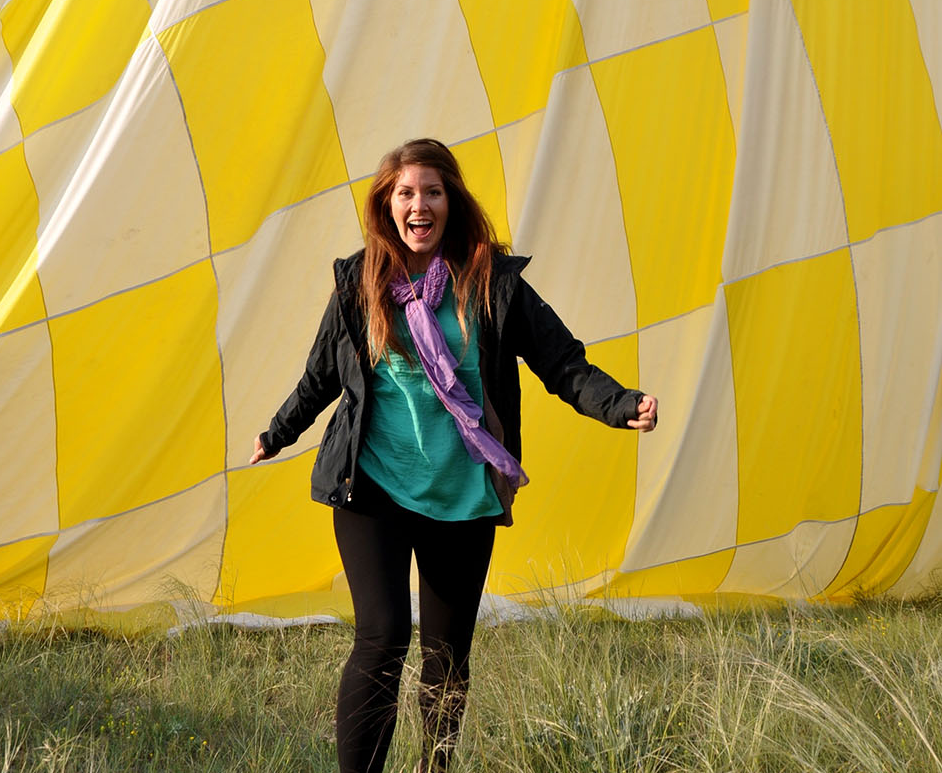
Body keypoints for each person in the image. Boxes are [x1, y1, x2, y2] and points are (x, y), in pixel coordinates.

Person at [250, 138, 658, 773]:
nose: (419, 206)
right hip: (374, 491)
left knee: (446, 656)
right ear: (387, 205)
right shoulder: (361, 283)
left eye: (432, 192)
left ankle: (435, 768)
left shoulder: (492, 281)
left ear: (452, 201)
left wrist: (618, 403)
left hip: (460, 496)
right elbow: (321, 377)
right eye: (406, 193)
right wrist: (277, 433)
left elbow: (561, 361)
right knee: (382, 637)